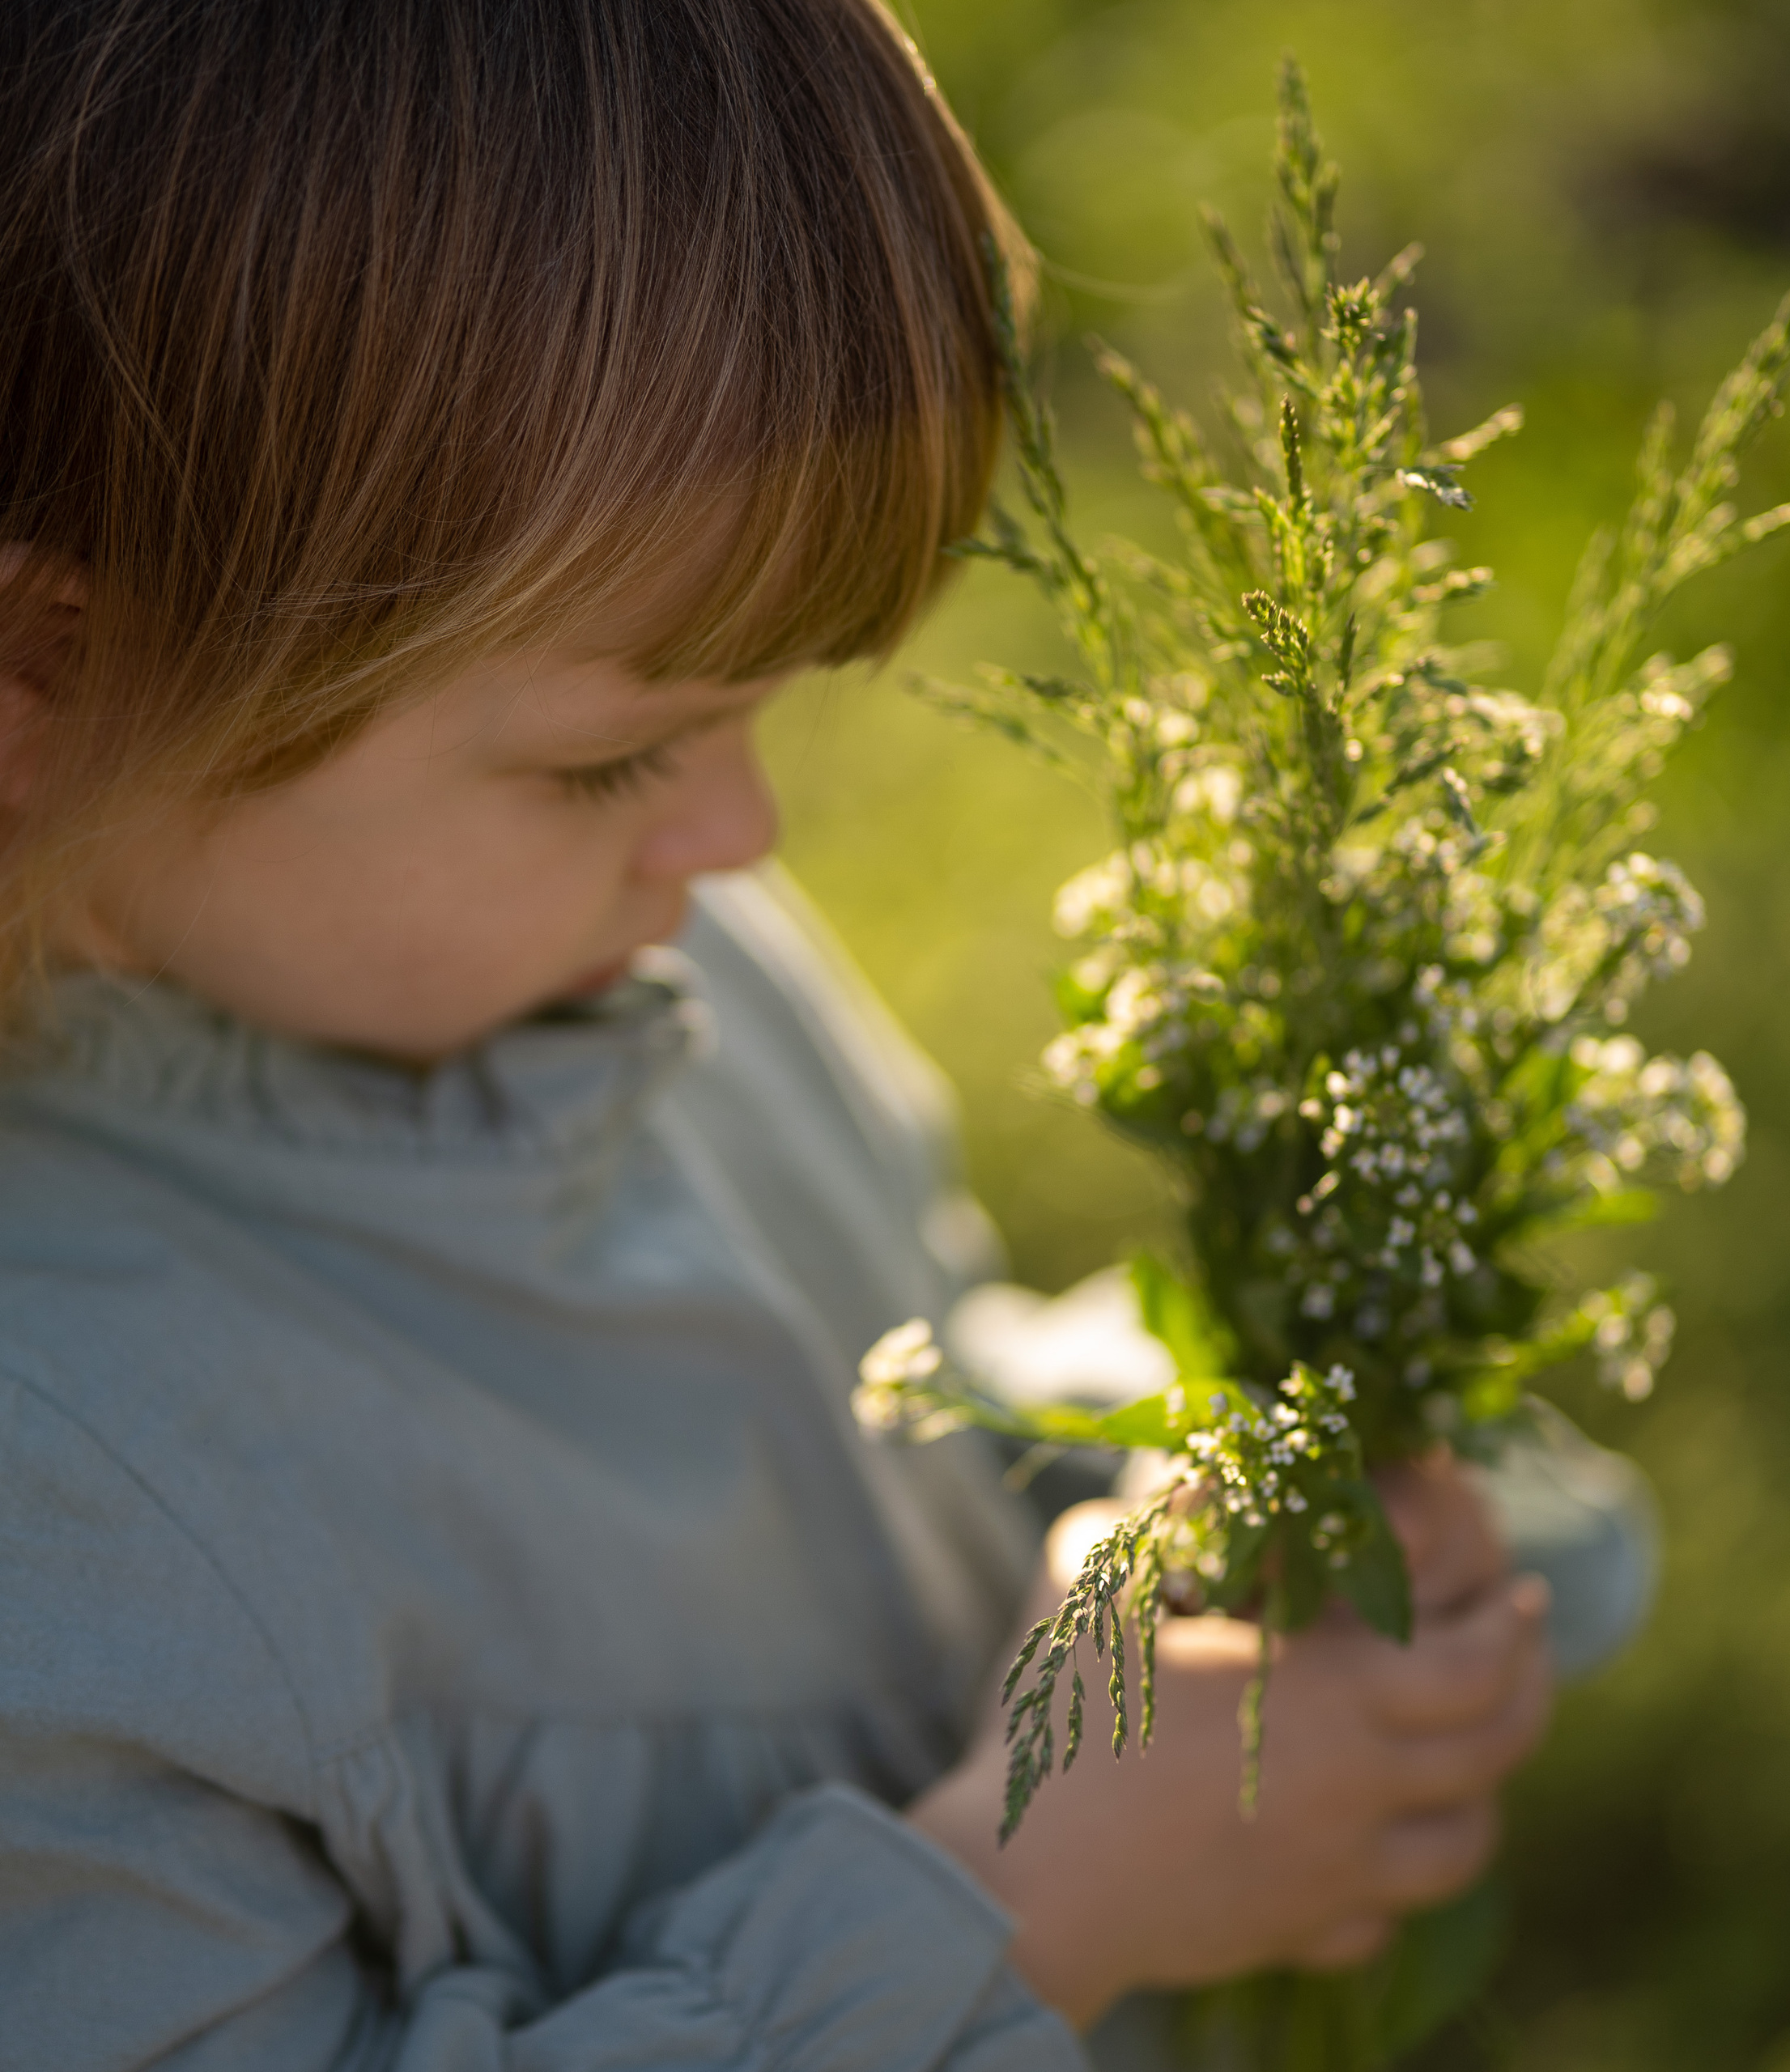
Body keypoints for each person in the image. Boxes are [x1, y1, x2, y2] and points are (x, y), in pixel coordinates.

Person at [0, 2, 1570, 2063]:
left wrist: (1198, 1486)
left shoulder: (658, 954)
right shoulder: (62, 1523)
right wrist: (1029, 1908)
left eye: (763, 709)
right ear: (46, 668)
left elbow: (873, 1402)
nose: (743, 832)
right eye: (610, 757)